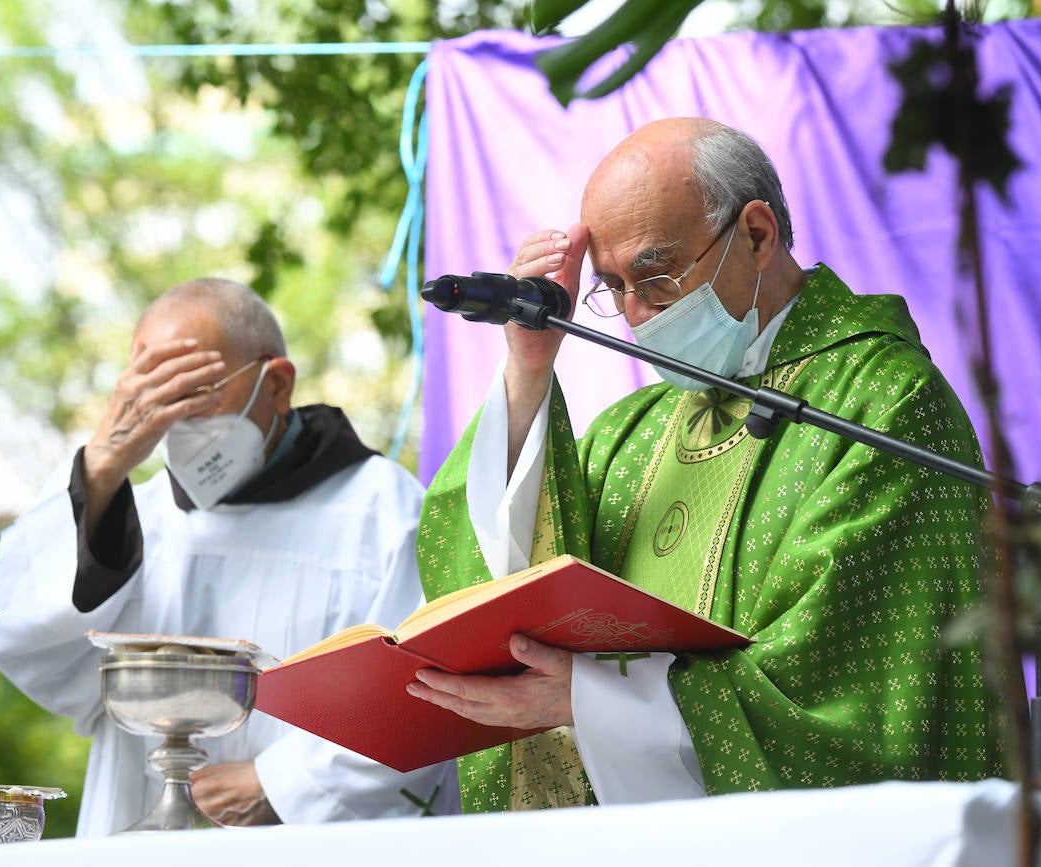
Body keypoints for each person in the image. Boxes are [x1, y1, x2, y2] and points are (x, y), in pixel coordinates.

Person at [407, 117, 1008, 812]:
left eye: (657, 275)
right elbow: (496, 574)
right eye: (612, 287)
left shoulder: (881, 405)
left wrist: (593, 702)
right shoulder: (631, 435)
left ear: (756, 234)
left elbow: (854, 691)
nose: (636, 313)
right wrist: (528, 370)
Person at [0, 277, 459, 835]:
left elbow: (429, 687)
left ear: (277, 385)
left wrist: (283, 783)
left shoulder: (383, 511)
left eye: (198, 390)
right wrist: (100, 468)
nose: (179, 419)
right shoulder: (119, 520)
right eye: (154, 395)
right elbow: (20, 638)